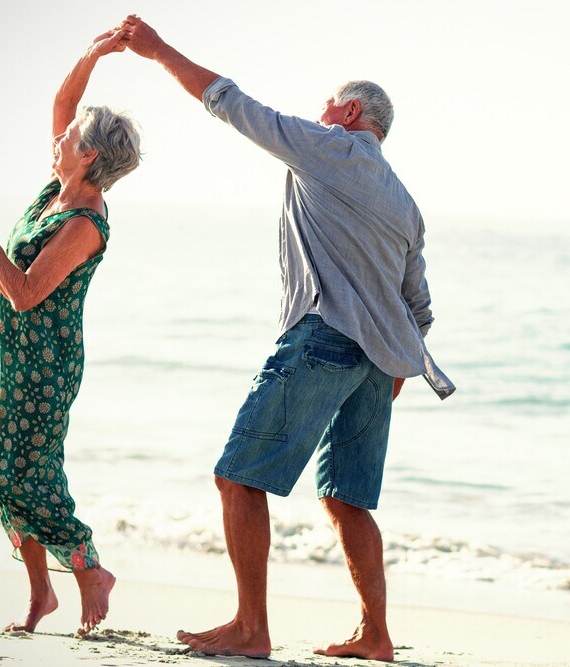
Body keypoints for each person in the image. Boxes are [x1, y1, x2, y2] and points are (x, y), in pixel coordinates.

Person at [119, 15, 451, 662]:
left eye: (329, 103)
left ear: (350, 111)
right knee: (346, 497)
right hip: (377, 364)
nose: (320, 111)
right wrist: (393, 371)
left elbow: (231, 103)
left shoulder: (328, 145)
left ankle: (251, 626)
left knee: (237, 478)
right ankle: (375, 634)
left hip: (322, 338)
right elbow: (420, 307)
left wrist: (156, 50)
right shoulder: (405, 201)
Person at [0, 28, 142, 636]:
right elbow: (64, 109)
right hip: (11, 352)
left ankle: (88, 567)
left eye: (70, 138)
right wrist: (93, 55)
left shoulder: (85, 220)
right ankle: (41, 596)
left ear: (88, 155)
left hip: (46, 361)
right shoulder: (56, 191)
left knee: (24, 474)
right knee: (6, 472)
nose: (58, 137)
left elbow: (27, 292)